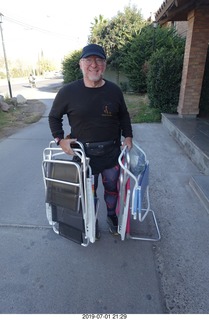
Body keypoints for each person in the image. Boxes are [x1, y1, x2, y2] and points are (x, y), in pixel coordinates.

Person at [48, 43, 133, 239]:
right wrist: (60, 139)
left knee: (112, 189)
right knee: (88, 194)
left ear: (104, 64)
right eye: (89, 60)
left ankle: (112, 217)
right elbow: (54, 117)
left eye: (99, 60)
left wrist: (128, 136)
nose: (94, 65)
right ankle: (91, 221)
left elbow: (124, 116)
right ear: (81, 64)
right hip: (83, 155)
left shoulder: (114, 91)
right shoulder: (68, 92)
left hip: (111, 154)